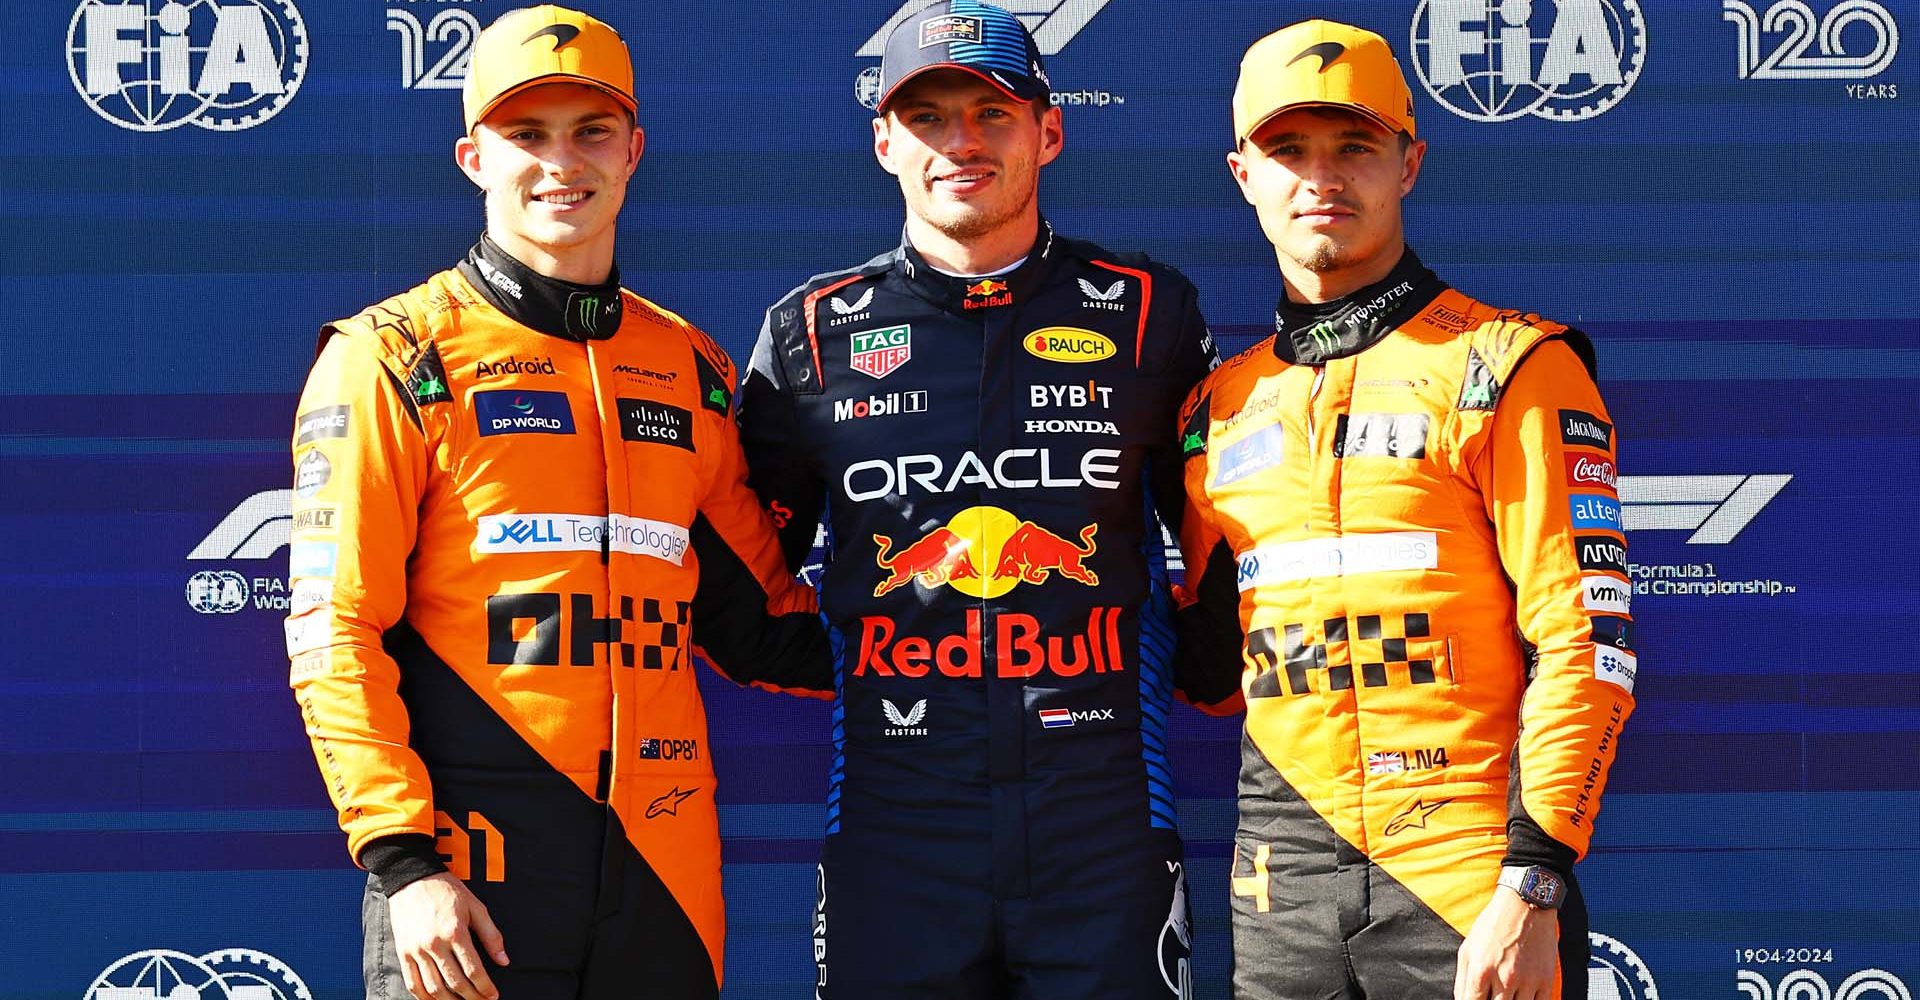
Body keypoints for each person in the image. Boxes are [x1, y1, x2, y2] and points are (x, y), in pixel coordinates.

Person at [284, 7, 830, 1000]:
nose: (558, 163)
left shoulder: (688, 366)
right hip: (470, 880)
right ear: (472, 156)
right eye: (524, 135)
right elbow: (335, 629)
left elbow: (761, 627)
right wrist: (403, 863)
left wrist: (968, 618)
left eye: (589, 131)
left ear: (633, 150)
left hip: (665, 877)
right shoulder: (392, 356)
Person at [735, 3, 1227, 997]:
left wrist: (1166, 661)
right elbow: (740, 588)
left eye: (991, 114)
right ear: (884, 142)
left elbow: (1225, 556)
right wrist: (874, 657)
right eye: (928, 118)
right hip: (894, 829)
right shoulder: (811, 334)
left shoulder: (1150, 312)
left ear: (1049, 131)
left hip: (1105, 823)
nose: (961, 142)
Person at [1173, 19, 1637, 1000]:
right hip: (1280, 879)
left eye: (1355, 146)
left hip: (1472, 867)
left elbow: (1585, 639)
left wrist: (1536, 878)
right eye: (1287, 149)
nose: (1321, 177)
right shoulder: (1217, 407)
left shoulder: (1513, 364)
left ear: (1409, 162)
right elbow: (1213, 663)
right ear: (1242, 174)